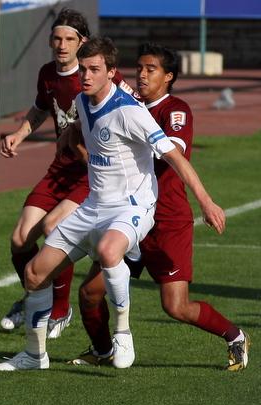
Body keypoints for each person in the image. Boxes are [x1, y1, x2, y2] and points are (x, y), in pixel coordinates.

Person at [0, 36, 225, 371]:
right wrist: (70, 136)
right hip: (93, 205)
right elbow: (82, 124)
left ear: (112, 72)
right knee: (34, 273)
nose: (85, 76)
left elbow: (174, 157)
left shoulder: (130, 112)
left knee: (108, 250)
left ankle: (123, 334)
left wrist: (207, 201)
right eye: (83, 69)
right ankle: (34, 355)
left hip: (132, 206)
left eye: (94, 69)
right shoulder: (82, 100)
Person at [70, 43, 250, 371]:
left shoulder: (175, 110)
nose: (142, 74)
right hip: (128, 216)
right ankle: (103, 350)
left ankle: (235, 335)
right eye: (139, 68)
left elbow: (171, 154)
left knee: (175, 306)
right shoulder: (124, 104)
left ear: (168, 77)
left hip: (166, 219)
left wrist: (206, 201)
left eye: (151, 69)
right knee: (89, 293)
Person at [0, 8, 125, 338]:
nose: (62, 44)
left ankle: (59, 310)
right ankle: (33, 297)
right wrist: (19, 134)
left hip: (90, 172)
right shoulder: (47, 73)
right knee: (20, 239)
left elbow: (128, 103)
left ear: (82, 42)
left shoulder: (97, 76)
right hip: (60, 170)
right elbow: (42, 107)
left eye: (69, 38)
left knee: (54, 227)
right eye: (56, 38)